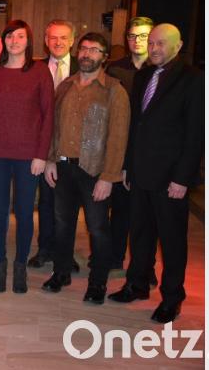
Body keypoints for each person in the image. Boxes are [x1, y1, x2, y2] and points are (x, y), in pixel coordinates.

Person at [108, 24, 203, 323]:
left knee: (172, 241)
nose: (154, 48)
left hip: (170, 178)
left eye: (161, 43)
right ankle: (136, 284)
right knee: (139, 234)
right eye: (151, 43)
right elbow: (136, 125)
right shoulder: (143, 76)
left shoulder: (193, 79)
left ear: (178, 45)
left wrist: (183, 178)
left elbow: (196, 134)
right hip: (139, 172)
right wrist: (127, 165)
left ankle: (172, 298)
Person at [41, 33, 130, 305]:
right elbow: (53, 127)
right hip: (64, 167)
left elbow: (118, 138)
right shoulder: (65, 86)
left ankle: (97, 282)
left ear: (105, 57)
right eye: (84, 48)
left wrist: (109, 177)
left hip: (95, 172)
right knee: (62, 225)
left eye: (94, 50)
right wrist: (50, 159)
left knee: (98, 229)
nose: (87, 54)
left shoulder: (114, 90)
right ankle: (61, 272)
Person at [0, 20, 54, 294]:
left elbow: (48, 116)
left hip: (28, 155)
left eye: (20, 36)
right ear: (4, 41)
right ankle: (0, 264)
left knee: (24, 212)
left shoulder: (40, 71)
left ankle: (20, 265)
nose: (14, 41)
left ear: (28, 41)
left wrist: (41, 154)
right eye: (10, 36)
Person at [29, 19, 80, 273]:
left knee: (69, 206)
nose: (57, 42)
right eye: (52, 38)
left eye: (63, 38)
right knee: (46, 202)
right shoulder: (35, 69)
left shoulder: (84, 68)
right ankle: (45, 249)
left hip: (74, 149)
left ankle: (65, 253)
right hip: (44, 147)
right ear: (45, 41)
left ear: (72, 41)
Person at [105, 16, 154, 270]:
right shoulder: (114, 69)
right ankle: (115, 257)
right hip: (121, 146)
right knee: (120, 209)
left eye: (143, 36)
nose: (137, 41)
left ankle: (145, 265)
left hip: (149, 152)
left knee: (146, 216)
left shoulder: (160, 69)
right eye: (133, 36)